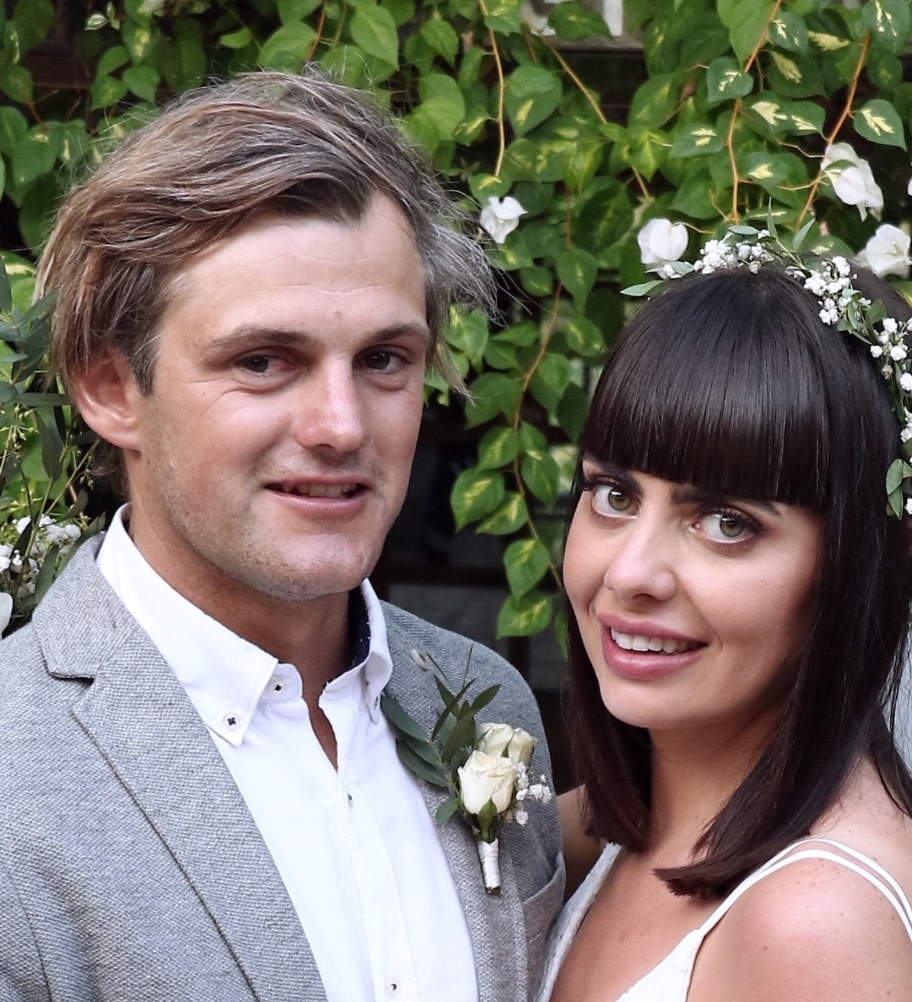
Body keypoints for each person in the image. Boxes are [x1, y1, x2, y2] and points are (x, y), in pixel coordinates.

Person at [0, 71, 562, 1001]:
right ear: (108, 388)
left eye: (384, 359)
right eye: (264, 361)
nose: (342, 425)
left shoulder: (484, 698)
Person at [540, 232, 912, 1001]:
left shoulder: (818, 923)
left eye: (727, 523)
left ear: (873, 563)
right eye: (614, 495)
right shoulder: (610, 826)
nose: (629, 573)